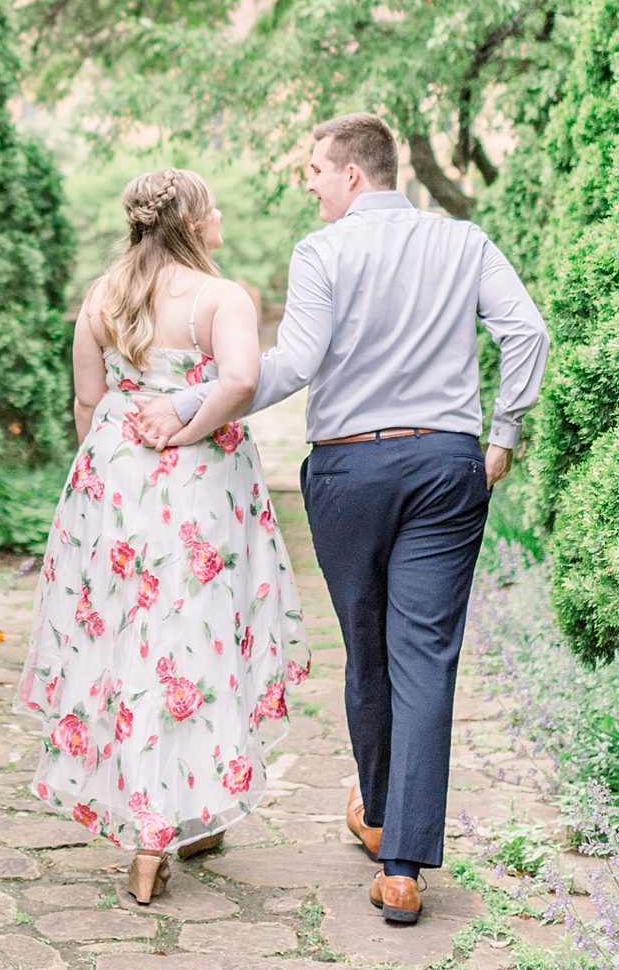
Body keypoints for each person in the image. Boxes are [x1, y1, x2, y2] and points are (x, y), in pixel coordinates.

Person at [131, 114, 549, 926]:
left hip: (352, 469)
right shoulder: (465, 241)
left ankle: (384, 813)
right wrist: (503, 435)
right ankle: (401, 867)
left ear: (353, 174)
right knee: (424, 654)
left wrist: (185, 404)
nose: (312, 184)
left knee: (367, 649)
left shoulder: (321, 254)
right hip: (445, 464)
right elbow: (525, 330)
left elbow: (291, 364)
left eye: (318, 170)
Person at [16, 169, 306, 907]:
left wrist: (110, 477)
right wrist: (185, 429)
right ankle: (164, 826)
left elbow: (88, 399)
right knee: (195, 639)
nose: (221, 222)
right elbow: (240, 380)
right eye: (214, 211)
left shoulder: (102, 296)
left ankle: (176, 819)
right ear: (193, 220)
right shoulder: (220, 297)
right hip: (200, 481)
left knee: (128, 639)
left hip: (114, 481)